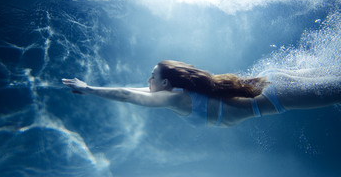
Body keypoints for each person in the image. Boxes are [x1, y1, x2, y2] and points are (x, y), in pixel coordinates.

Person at [62, 60, 341, 127]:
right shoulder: (178, 94)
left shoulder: (175, 98)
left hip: (281, 95)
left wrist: (89, 89)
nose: (147, 80)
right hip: (274, 85)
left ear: (167, 84)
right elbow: (133, 91)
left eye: (152, 77)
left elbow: (126, 94)